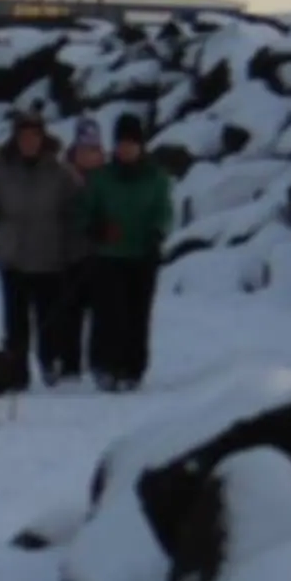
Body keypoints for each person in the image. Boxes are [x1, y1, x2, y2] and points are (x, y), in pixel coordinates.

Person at [0, 106, 79, 388]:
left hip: (50, 258)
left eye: (34, 136)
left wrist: (79, 254)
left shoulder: (61, 175)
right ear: (15, 139)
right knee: (15, 325)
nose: (29, 142)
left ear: (42, 138)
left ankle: (50, 362)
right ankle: (17, 373)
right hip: (12, 258)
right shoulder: (0, 176)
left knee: (48, 321)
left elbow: (76, 215)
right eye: (24, 136)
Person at [76, 111, 174, 391]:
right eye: (121, 143)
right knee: (108, 313)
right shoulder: (101, 177)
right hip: (108, 256)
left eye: (131, 143)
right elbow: (84, 211)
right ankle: (104, 366)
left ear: (141, 146)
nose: (126, 149)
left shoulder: (157, 178)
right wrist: (95, 229)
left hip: (143, 256)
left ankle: (133, 368)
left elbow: (164, 211)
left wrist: (157, 232)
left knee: (138, 315)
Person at [54, 114, 107, 379]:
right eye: (86, 149)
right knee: (69, 312)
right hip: (68, 253)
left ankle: (99, 364)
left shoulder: (109, 176)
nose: (91, 154)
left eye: (95, 149)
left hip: (102, 254)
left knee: (103, 314)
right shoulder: (62, 176)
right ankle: (69, 365)